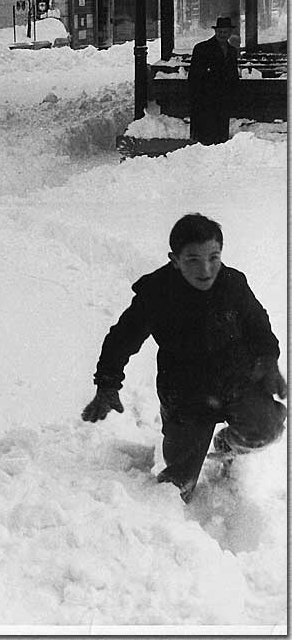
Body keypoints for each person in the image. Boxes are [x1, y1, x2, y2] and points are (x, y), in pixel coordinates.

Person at [81, 213, 286, 502]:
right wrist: (107, 384)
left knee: (266, 428)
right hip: (186, 396)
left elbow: (257, 323)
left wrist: (268, 360)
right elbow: (121, 338)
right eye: (193, 259)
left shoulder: (232, 284)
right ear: (174, 259)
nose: (206, 269)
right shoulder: (157, 293)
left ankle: (225, 446)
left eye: (213, 257)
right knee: (177, 487)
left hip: (235, 381)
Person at [188, 16, 240, 145]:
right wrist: (197, 96)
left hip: (224, 98)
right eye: (220, 32)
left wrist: (234, 93)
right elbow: (194, 76)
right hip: (206, 97)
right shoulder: (202, 48)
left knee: (221, 133)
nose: (223, 35)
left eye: (226, 32)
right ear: (215, 32)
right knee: (207, 133)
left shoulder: (232, 51)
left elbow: (233, 73)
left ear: (230, 33)